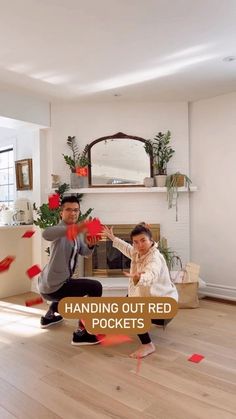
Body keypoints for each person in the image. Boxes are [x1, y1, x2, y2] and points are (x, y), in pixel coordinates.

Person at [102, 223, 178, 358]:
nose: (139, 245)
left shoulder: (155, 258)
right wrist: (113, 238)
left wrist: (140, 278)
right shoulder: (137, 252)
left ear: (151, 240)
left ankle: (147, 344)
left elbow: (151, 273)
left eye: (143, 240)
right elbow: (127, 248)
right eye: (136, 242)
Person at [38, 195, 103, 346]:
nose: (73, 213)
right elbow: (45, 234)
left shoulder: (77, 233)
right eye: (68, 210)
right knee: (95, 287)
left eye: (76, 210)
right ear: (61, 212)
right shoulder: (59, 230)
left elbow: (84, 253)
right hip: (53, 285)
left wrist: (91, 245)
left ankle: (49, 316)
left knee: (74, 291)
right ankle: (83, 333)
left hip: (55, 284)